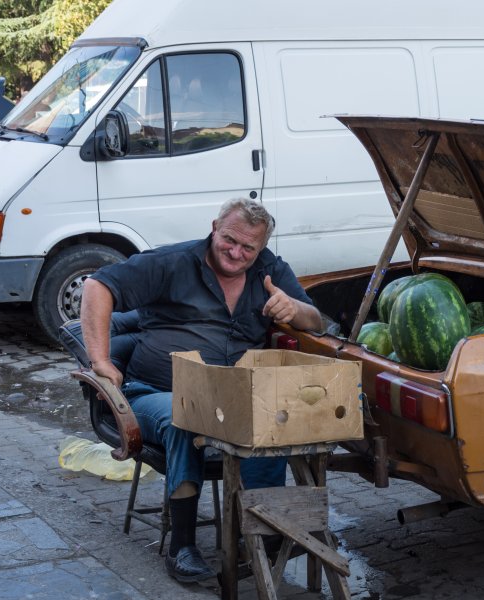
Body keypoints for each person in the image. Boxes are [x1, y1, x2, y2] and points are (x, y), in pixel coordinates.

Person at [80, 198, 321, 583]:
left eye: (248, 248)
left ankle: (259, 531)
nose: (236, 253)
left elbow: (315, 318)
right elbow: (97, 285)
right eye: (229, 240)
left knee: (272, 414)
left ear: (261, 248)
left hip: (233, 396)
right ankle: (183, 546)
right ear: (214, 227)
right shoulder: (173, 263)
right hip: (155, 391)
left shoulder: (269, 270)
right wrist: (100, 360)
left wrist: (292, 307)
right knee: (186, 418)